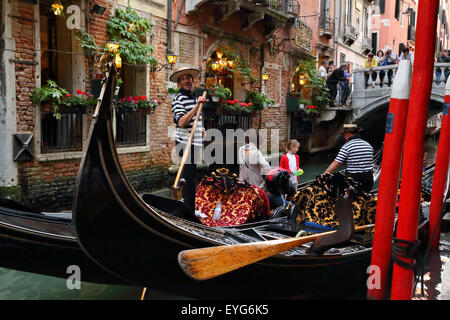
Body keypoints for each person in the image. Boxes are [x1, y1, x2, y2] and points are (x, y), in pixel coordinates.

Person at [170, 65, 208, 214]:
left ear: (192, 80)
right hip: (185, 143)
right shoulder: (178, 99)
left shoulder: (194, 97)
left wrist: (201, 129)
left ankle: (189, 210)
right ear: (179, 83)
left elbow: (195, 121)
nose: (186, 81)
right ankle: (188, 212)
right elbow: (181, 122)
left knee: (191, 178)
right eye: (183, 79)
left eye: (188, 78)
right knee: (187, 180)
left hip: (195, 143)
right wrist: (196, 106)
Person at [323, 123, 374, 193]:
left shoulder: (347, 146)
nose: (344, 137)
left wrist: (324, 175)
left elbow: (336, 163)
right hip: (369, 179)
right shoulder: (368, 145)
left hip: (354, 179)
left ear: (347, 133)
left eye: (344, 134)